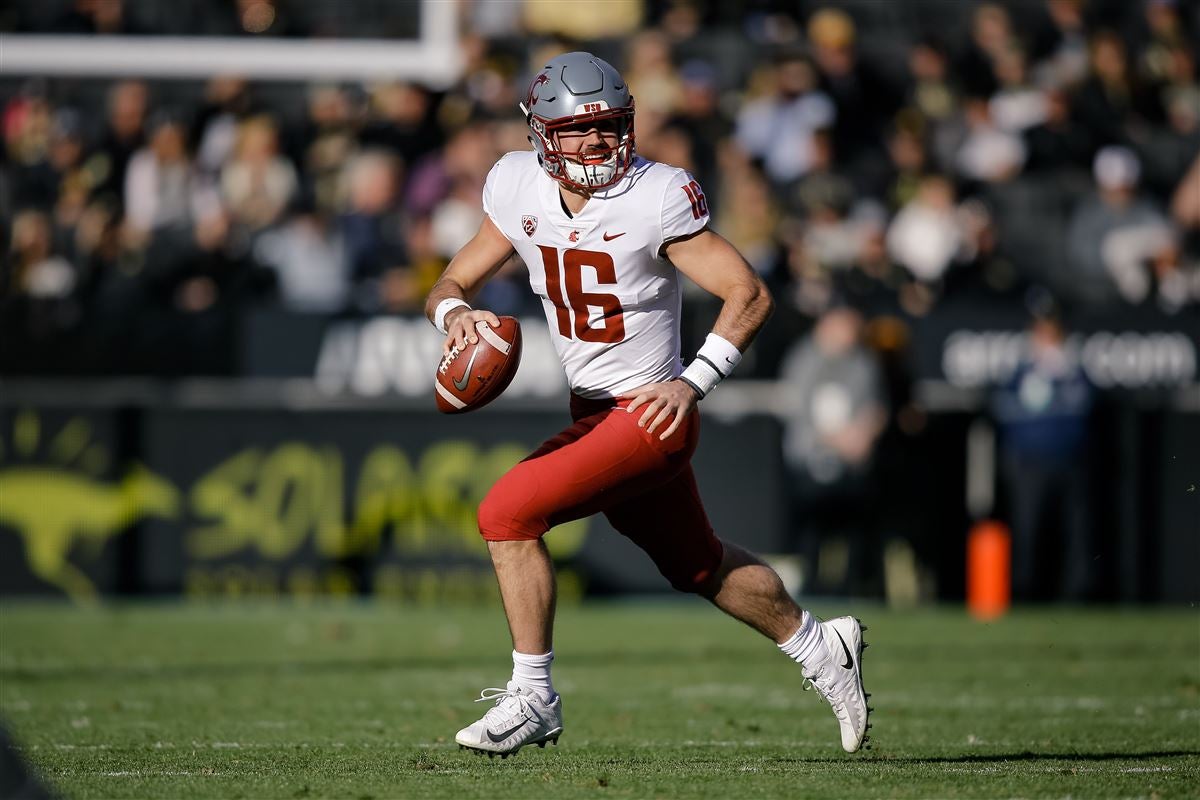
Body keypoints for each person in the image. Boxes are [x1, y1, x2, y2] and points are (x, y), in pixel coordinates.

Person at [424, 52, 872, 759]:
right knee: (696, 565)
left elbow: (747, 293)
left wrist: (693, 380)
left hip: (650, 414)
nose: (600, 141)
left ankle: (533, 695)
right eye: (582, 129)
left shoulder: (655, 194)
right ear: (542, 133)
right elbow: (452, 277)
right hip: (591, 409)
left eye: (610, 125)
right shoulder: (515, 184)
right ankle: (822, 644)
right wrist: (452, 312)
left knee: (506, 513)